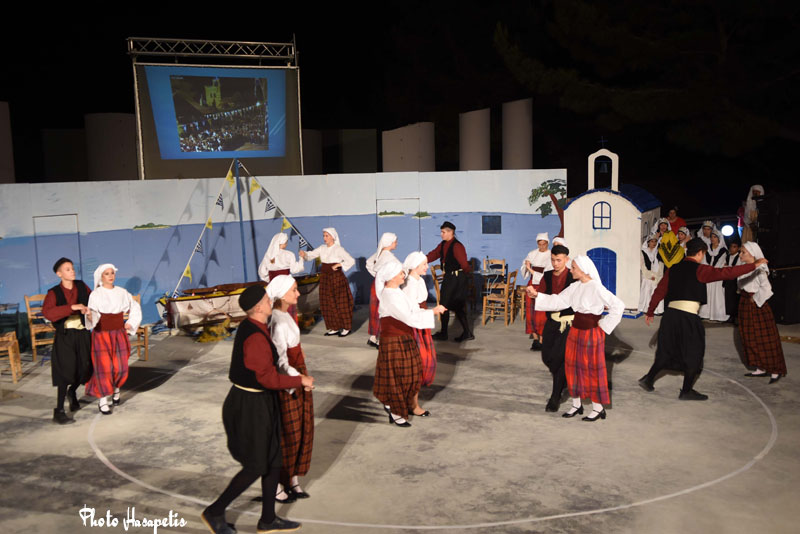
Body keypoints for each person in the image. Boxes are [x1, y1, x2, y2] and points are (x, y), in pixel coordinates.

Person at [201, 285, 314, 534]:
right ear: (259, 307)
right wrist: (299, 380)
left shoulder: (258, 326)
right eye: (266, 299)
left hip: (262, 401)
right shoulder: (254, 337)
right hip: (249, 406)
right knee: (256, 465)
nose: (270, 300)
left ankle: (268, 520)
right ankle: (215, 511)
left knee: (274, 461)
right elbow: (267, 378)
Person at [639, 238, 765, 400]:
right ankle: (686, 391)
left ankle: (648, 379)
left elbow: (660, 290)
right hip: (687, 316)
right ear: (700, 253)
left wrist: (650, 311)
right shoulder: (700, 269)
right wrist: (754, 265)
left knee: (666, 351)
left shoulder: (674, 268)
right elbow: (726, 273)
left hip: (670, 316)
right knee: (695, 352)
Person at [527, 256, 625, 422]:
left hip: (591, 333)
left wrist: (603, 326)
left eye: (573, 268)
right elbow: (558, 300)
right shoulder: (575, 287)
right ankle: (576, 404)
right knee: (572, 367)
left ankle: (598, 408)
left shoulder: (596, 287)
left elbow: (618, 306)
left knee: (590, 369)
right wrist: (537, 295)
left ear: (583, 269)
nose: (570, 270)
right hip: (575, 331)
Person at [373, 261, 446, 426]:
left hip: (405, 338)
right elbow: (409, 317)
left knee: (412, 373)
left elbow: (412, 309)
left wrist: (432, 311)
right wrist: (432, 312)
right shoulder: (389, 295)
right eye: (400, 273)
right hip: (394, 341)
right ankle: (396, 411)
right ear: (391, 277)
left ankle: (403, 404)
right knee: (398, 376)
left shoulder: (396, 291)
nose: (403, 275)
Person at [267, 275, 315, 504]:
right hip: (289, 380)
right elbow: (280, 361)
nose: (298, 293)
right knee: (288, 433)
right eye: (294, 290)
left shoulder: (284, 315)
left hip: (298, 373)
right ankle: (278, 483)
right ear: (282, 294)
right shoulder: (276, 320)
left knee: (301, 429)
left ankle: (292, 479)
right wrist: (298, 379)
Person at [41, 257, 93, 425]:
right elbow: (48, 313)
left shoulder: (81, 286)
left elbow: (92, 302)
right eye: (68, 269)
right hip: (66, 336)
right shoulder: (54, 292)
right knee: (65, 371)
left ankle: (72, 392)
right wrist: (71, 307)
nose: (72, 271)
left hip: (83, 333)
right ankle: (59, 411)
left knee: (85, 368)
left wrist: (89, 311)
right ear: (59, 274)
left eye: (72, 268)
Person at [85, 264, 141, 415]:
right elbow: (93, 314)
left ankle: (116, 389)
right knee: (104, 367)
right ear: (101, 277)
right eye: (106, 274)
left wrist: (130, 323)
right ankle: (103, 400)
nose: (110, 276)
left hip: (118, 334)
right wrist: (90, 316)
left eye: (112, 273)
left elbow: (134, 307)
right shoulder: (96, 294)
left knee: (120, 367)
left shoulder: (122, 292)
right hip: (101, 334)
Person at [532, 244, 575, 412]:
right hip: (551, 322)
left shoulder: (573, 277)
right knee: (547, 357)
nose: (555, 263)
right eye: (553, 260)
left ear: (566, 259)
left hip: (568, 324)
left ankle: (555, 397)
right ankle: (564, 381)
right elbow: (542, 295)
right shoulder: (548, 275)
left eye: (559, 260)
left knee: (559, 359)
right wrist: (534, 294)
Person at [737, 242, 787, 383]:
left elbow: (767, 288)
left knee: (764, 338)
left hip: (757, 306)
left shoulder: (760, 269)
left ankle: (775, 369)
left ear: (752, 254)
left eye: (743, 252)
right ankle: (760, 367)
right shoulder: (743, 267)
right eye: (740, 252)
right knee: (749, 337)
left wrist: (755, 299)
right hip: (745, 303)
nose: (740, 255)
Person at [299, 228, 355, 337]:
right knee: (327, 303)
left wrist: (339, 264)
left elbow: (351, 260)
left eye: (326, 236)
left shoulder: (338, 249)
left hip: (336, 278)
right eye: (324, 235)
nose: (324, 238)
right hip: (325, 278)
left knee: (341, 303)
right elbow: (311, 255)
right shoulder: (322, 248)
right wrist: (304, 254)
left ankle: (346, 327)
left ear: (333, 237)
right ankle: (334, 327)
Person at [426, 221, 473, 342]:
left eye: (443, 232)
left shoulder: (457, 246)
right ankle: (458, 333)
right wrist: (421, 260)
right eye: (441, 232)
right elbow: (434, 254)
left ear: (450, 232)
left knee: (449, 305)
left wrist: (464, 277)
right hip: (450, 277)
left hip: (456, 278)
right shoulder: (443, 244)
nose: (441, 234)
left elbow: (464, 265)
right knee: (450, 305)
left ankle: (449, 333)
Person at [402, 252, 437, 387]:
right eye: (424, 264)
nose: (427, 267)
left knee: (425, 350)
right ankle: (415, 377)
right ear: (415, 266)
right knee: (418, 351)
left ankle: (422, 375)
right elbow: (411, 309)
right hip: (415, 320)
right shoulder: (409, 284)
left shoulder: (420, 280)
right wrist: (430, 312)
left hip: (422, 316)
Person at [258, 232, 305, 323]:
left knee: (273, 306)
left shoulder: (268, 255)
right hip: (286, 287)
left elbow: (262, 272)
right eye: (286, 242)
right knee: (287, 307)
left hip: (274, 287)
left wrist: (272, 281)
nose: (286, 244)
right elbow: (295, 269)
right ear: (283, 243)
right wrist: (301, 259)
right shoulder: (289, 254)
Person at [365, 233, 399, 348]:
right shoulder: (389, 257)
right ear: (389, 243)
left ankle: (373, 336)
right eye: (395, 241)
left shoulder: (378, 254)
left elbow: (369, 263)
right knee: (385, 311)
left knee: (375, 310)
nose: (396, 243)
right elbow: (399, 269)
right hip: (385, 286)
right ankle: (381, 339)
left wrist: (376, 275)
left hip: (375, 284)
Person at [521, 232, 551, 350]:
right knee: (531, 312)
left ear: (547, 243)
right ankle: (535, 338)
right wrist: (526, 266)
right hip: (532, 285)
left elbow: (545, 275)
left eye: (544, 244)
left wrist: (530, 269)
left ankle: (542, 339)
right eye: (540, 244)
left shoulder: (551, 255)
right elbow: (525, 267)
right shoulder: (532, 253)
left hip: (543, 286)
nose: (542, 247)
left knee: (541, 313)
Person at [699, 229, 729, 322]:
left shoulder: (723, 251)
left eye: (715, 237)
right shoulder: (707, 249)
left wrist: (715, 270)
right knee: (707, 293)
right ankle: (705, 313)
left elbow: (722, 263)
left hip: (717, 275)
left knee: (717, 294)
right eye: (711, 237)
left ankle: (718, 315)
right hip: (708, 274)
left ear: (719, 239)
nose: (712, 239)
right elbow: (703, 261)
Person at [639, 236, 664, 316]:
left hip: (656, 276)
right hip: (647, 276)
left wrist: (657, 275)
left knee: (656, 292)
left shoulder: (658, 252)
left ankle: (657, 310)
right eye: (652, 241)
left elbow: (661, 265)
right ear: (648, 242)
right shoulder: (643, 252)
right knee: (647, 290)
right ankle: (646, 309)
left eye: (655, 241)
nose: (654, 243)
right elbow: (642, 265)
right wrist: (650, 275)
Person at [723, 240, 742, 323]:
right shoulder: (727, 256)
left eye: (734, 247)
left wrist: (728, 267)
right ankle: (730, 316)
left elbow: (737, 269)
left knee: (735, 299)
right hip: (728, 280)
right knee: (728, 298)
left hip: (735, 281)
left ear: (738, 248)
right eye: (731, 247)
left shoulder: (739, 257)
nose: (732, 249)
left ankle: (736, 316)